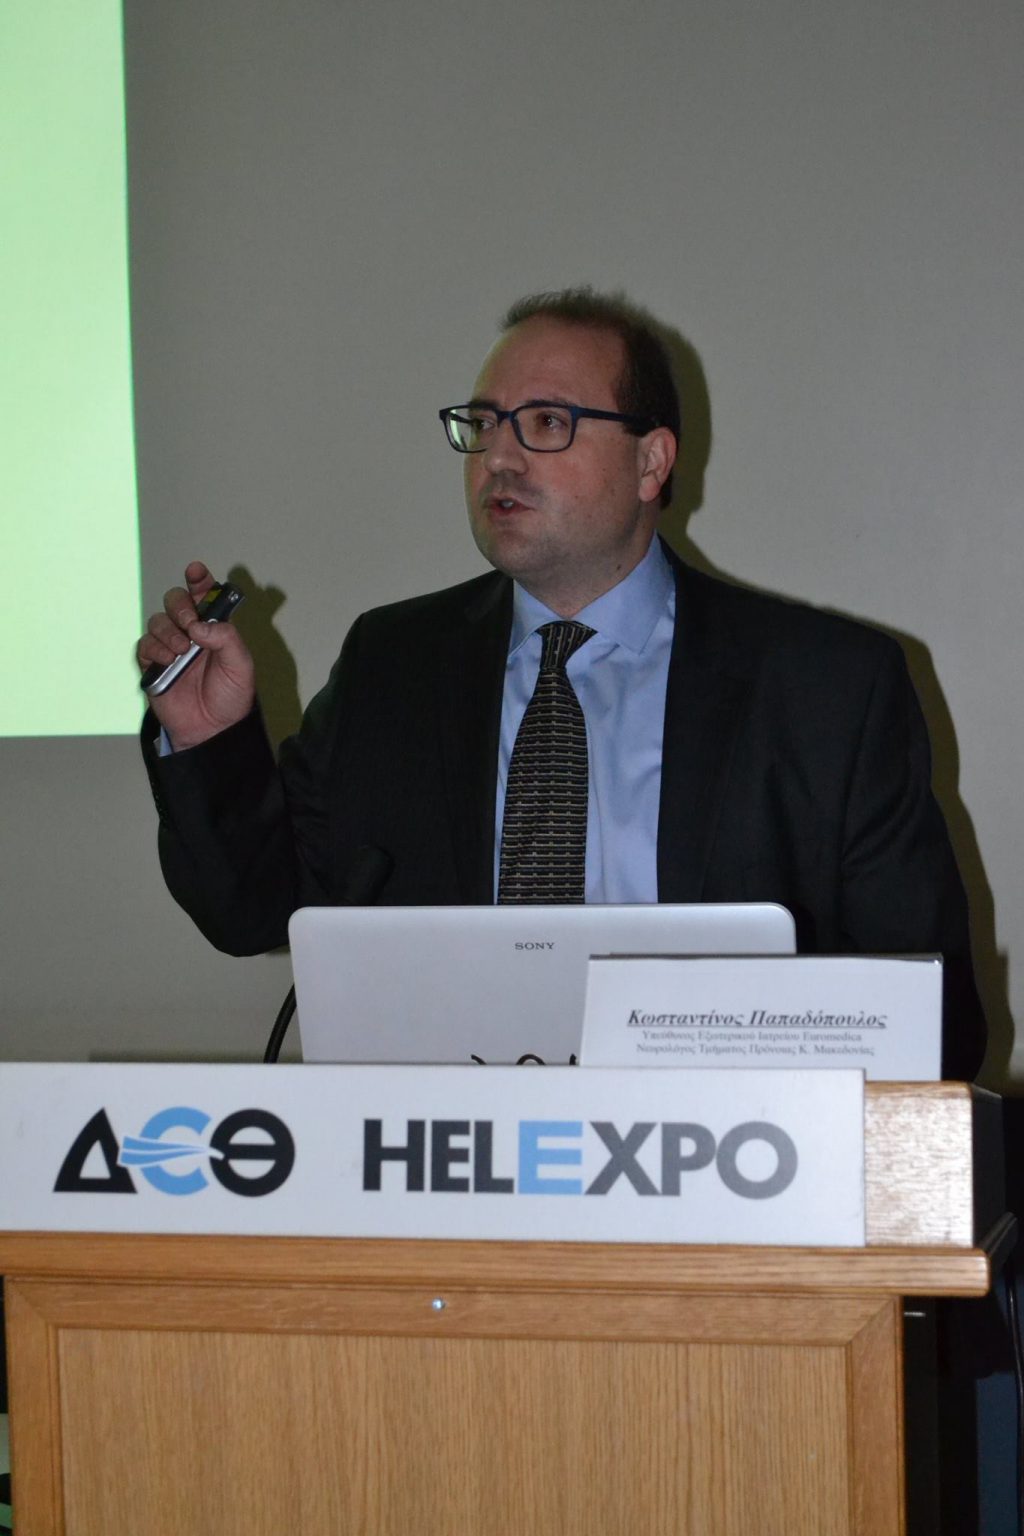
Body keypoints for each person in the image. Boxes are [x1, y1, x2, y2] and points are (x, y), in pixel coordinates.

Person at [138, 287, 986, 1079]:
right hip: (452, 1159)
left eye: (546, 422)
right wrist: (206, 738)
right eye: (483, 424)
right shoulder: (392, 666)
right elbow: (250, 911)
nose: (498, 456)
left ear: (651, 462)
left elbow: (935, 1022)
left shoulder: (826, 689)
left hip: (725, 1161)